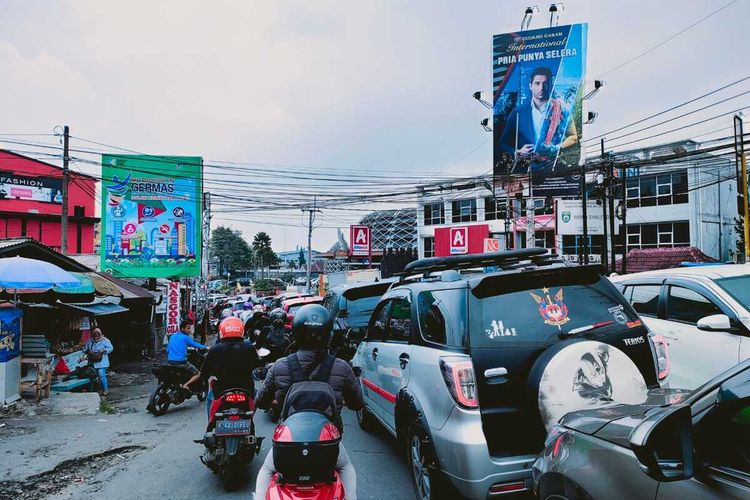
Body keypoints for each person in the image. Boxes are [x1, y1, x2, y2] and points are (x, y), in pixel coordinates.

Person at [255, 304, 363, 499]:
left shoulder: (281, 365)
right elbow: (357, 404)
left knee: (267, 470)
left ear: (295, 332)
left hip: (289, 445)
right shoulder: (341, 367)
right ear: (329, 334)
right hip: (327, 447)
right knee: (346, 467)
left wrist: (275, 401)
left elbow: (261, 401)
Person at [499, 66, 578, 162]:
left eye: (545, 83)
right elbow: (502, 143)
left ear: (550, 85)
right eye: (537, 83)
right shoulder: (518, 113)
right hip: (525, 168)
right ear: (530, 86)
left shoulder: (562, 110)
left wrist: (556, 148)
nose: (541, 88)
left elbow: (573, 137)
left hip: (553, 167)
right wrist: (517, 152)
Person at [200, 316, 262, 431]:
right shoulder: (249, 348)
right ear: (241, 331)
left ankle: (210, 424)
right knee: (257, 396)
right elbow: (257, 366)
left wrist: (200, 383)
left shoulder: (215, 349)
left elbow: (205, 372)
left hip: (221, 388)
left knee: (210, 399)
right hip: (246, 387)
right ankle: (249, 419)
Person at [166, 320, 207, 391]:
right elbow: (195, 344)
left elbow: (167, 350)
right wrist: (206, 347)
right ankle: (186, 385)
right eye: (188, 328)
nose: (189, 330)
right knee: (198, 374)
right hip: (181, 362)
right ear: (182, 329)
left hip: (170, 361)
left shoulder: (173, 336)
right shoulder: (185, 337)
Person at [80, 328, 114, 396]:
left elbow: (111, 348)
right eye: (94, 335)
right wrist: (88, 351)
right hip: (92, 362)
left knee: (101, 375)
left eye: (97, 335)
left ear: (100, 334)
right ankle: (93, 390)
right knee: (91, 376)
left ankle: (105, 390)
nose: (96, 337)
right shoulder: (90, 341)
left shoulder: (105, 340)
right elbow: (84, 350)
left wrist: (104, 350)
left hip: (102, 362)